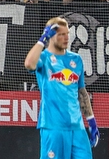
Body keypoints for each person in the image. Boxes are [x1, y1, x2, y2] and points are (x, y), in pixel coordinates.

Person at [23, 17, 99, 159]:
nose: (66, 38)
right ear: (51, 37)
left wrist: (91, 120)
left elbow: (81, 92)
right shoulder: (44, 58)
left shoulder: (76, 59)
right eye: (61, 35)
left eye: (67, 34)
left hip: (77, 127)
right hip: (53, 126)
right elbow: (29, 64)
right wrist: (42, 40)